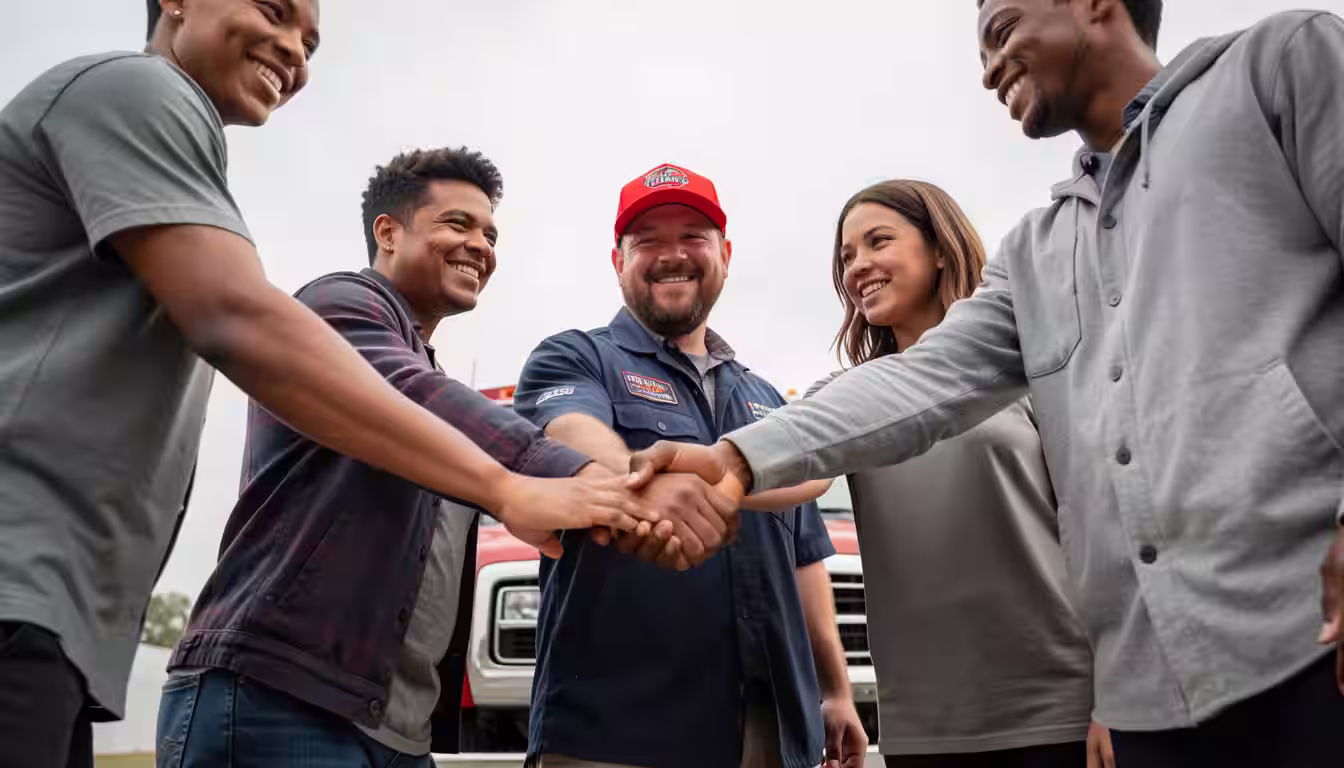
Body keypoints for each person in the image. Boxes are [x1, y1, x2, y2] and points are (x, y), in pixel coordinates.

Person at [634, 3, 1344, 766]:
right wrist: (733, 460)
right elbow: (923, 381)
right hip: (1151, 705)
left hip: (1310, 641)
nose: (988, 68)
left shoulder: (1278, 69)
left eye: (1002, 28)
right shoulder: (1036, 251)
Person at [0, 3, 653, 766]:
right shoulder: (143, 94)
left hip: (118, 638)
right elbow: (241, 316)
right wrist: (543, 482)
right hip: (268, 695)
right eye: (275, 12)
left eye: (309, 42)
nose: (294, 52)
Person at [153, 147, 737, 768]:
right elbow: (421, 398)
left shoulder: (435, 386)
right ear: (388, 232)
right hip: (281, 697)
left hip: (393, 729)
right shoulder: (339, 307)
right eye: (458, 225)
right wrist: (598, 480)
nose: (481, 246)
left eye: (490, 234)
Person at [512, 163, 867, 768]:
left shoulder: (768, 401)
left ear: (724, 254)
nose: (672, 255)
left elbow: (804, 556)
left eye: (693, 237)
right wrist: (645, 482)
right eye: (647, 240)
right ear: (618, 261)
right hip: (616, 733)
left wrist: (835, 691)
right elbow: (572, 435)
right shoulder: (574, 356)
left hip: (773, 731)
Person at [812, 179, 1097, 768]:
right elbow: (783, 474)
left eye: (878, 241)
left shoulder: (1030, 366)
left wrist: (1118, 694)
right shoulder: (845, 397)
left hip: (1058, 707)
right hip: (925, 725)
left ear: (939, 248)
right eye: (846, 257)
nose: (858, 266)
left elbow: (1099, 525)